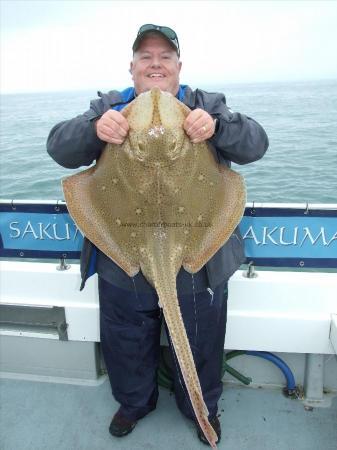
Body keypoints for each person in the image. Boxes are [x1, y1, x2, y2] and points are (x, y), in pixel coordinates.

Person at [47, 24, 268, 446]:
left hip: (196, 257)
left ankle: (200, 406)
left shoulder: (207, 105)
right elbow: (59, 148)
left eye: (164, 56)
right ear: (131, 68)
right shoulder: (108, 107)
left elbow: (256, 145)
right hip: (122, 258)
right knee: (126, 337)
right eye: (146, 57)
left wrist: (219, 127)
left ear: (178, 67)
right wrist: (94, 129)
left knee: (200, 338)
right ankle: (134, 403)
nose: (155, 64)